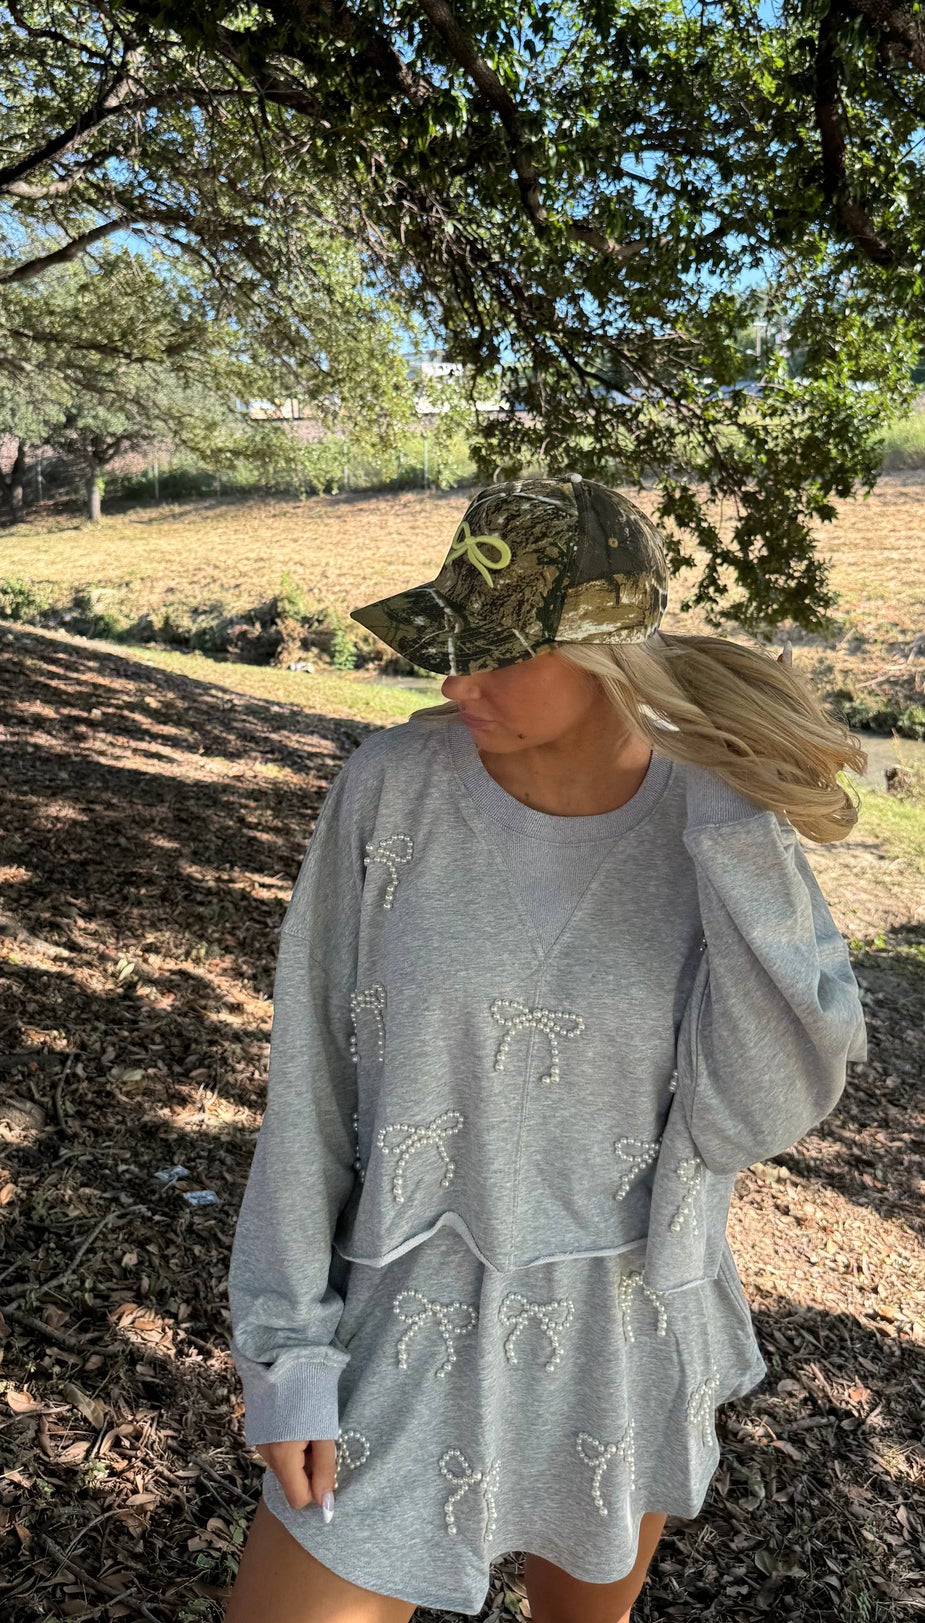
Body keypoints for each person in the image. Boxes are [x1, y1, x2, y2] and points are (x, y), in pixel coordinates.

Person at [224, 474, 867, 1623]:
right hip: (399, 1320)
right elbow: (308, 1083)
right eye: (450, 641)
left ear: (611, 648)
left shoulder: (712, 827)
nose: (453, 679)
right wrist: (286, 1351)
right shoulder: (391, 792)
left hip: (619, 1337)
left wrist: (733, 812)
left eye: (499, 650)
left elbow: (752, 1111)